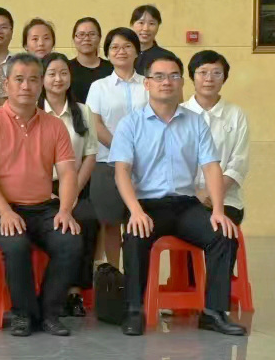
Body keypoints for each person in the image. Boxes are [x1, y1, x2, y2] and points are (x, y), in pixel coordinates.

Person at [111, 52, 244, 336]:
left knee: (223, 235)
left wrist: (218, 210)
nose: (166, 82)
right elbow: (121, 171)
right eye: (159, 77)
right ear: (147, 83)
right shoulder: (130, 124)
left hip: (186, 205)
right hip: (146, 205)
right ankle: (134, 310)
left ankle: (213, 312)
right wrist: (135, 211)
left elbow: (211, 166)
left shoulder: (195, 122)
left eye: (173, 76)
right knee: (134, 237)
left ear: (181, 82)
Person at [0, 54, 82, 337]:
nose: (26, 86)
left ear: (41, 84)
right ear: (6, 84)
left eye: (33, 80)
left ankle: (49, 313)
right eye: (19, 79)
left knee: (70, 241)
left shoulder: (54, 125)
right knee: (16, 244)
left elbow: (68, 173)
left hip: (44, 207)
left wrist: (65, 210)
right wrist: (5, 212)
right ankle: (22, 314)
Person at [40, 52, 101, 316]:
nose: (58, 79)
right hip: (39, 189)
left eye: (63, 73)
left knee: (87, 220)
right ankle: (46, 290)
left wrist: (74, 189)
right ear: (41, 78)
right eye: (52, 73)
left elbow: (90, 154)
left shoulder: (83, 111)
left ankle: (74, 293)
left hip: (75, 185)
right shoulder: (32, 111)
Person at [86, 27, 148, 264]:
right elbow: (95, 123)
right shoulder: (99, 87)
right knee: (110, 223)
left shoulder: (149, 84)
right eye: (114, 47)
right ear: (107, 53)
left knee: (138, 223)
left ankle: (136, 275)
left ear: (137, 51)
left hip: (145, 165)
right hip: (107, 163)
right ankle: (114, 273)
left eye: (127, 46)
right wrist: (122, 150)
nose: (121, 51)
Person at [182, 50, 248, 224]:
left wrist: (212, 192)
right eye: (202, 72)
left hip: (227, 201)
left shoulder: (236, 114)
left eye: (216, 73)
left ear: (224, 78)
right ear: (192, 76)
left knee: (218, 231)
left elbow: (238, 163)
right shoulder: (178, 114)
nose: (209, 79)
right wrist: (195, 193)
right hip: (184, 198)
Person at [68, 17, 111, 105]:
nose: (86, 38)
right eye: (81, 34)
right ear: (74, 39)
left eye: (92, 34)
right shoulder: (66, 69)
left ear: (99, 38)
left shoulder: (112, 69)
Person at [131, 4, 171, 72]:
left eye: (152, 23)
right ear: (132, 24)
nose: (146, 28)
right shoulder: (122, 55)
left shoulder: (167, 58)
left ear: (158, 26)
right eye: (141, 23)